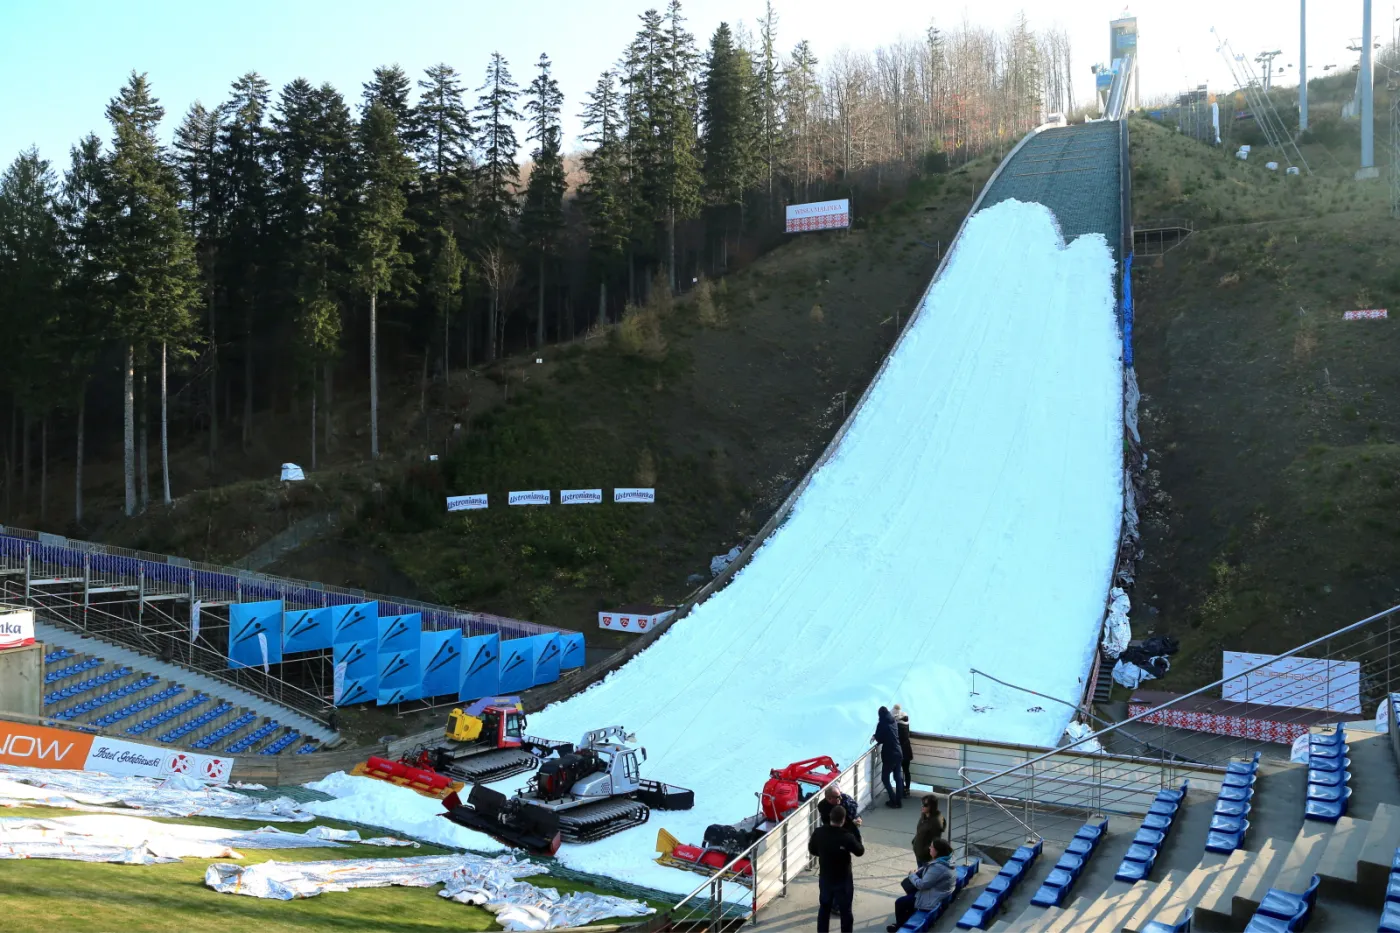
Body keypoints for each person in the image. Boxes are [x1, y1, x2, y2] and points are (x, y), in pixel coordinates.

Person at [807, 804, 864, 933]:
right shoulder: (847, 837)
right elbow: (860, 851)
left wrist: (824, 853)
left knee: (824, 908)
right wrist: (857, 832)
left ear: (830, 817)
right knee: (845, 912)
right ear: (843, 820)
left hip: (826, 877)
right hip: (843, 880)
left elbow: (812, 849)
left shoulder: (819, 832)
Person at [887, 838, 956, 932]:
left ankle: (899, 927)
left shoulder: (938, 867)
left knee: (900, 902)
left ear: (937, 851)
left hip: (931, 899)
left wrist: (912, 875)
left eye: (931, 847)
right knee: (909, 893)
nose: (929, 848)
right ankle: (906, 919)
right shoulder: (947, 861)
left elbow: (922, 885)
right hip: (938, 894)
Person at [874, 706, 905, 807]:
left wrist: (875, 736)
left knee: (885, 778)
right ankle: (899, 801)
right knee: (898, 777)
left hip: (889, 755)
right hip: (899, 752)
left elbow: (880, 738)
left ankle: (893, 800)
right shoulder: (893, 722)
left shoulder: (882, 723)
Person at [911, 796, 945, 867]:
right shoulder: (924, 816)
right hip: (919, 853)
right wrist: (914, 842)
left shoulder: (935, 823)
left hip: (925, 858)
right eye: (922, 804)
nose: (922, 806)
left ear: (932, 806)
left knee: (923, 876)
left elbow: (935, 841)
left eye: (925, 805)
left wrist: (924, 852)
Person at [892, 704, 915, 790]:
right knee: (906, 771)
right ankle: (907, 789)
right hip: (907, 750)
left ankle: (901, 788)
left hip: (899, 752)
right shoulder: (906, 724)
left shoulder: (897, 727)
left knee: (897, 772)